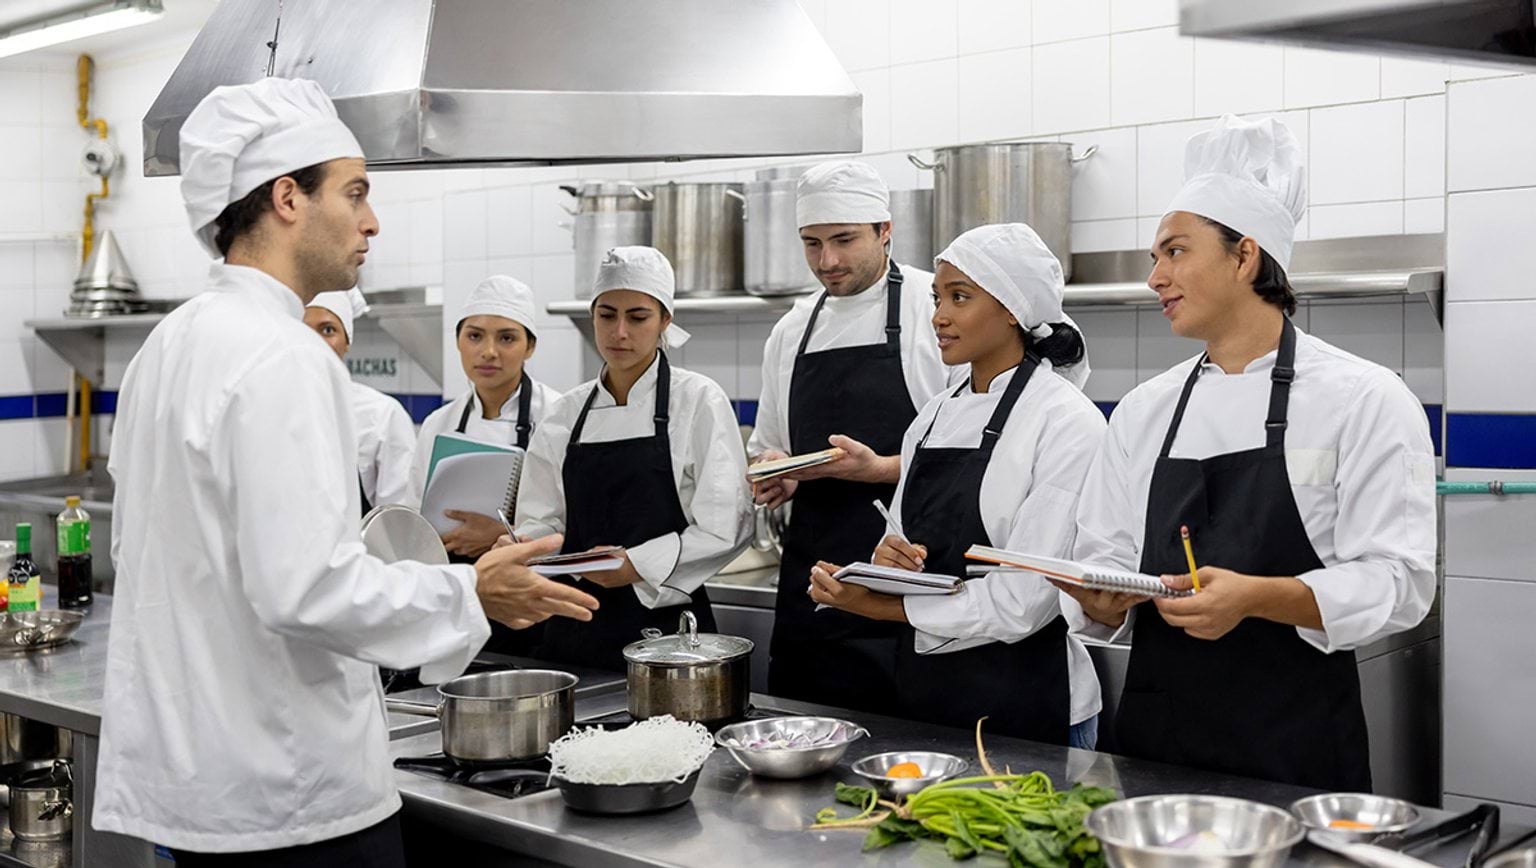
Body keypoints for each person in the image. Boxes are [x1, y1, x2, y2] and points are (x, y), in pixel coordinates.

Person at [94, 77, 599, 865]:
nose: (371, 221)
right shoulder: (281, 352)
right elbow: (309, 587)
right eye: (355, 192)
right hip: (292, 793)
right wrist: (472, 589)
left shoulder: (174, 341)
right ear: (288, 197)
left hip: (203, 781)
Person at [1063, 114, 1437, 790]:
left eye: (1174, 252)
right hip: (1153, 750)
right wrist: (1101, 599)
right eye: (1153, 258)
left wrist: (1260, 597)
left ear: (1246, 256)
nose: (1155, 277)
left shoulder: (1365, 398)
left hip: (1292, 752)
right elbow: (1107, 560)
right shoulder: (1146, 413)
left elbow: (1400, 583)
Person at [806, 224, 1104, 746]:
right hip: (930, 693)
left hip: (1029, 699)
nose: (939, 316)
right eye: (937, 297)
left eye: (959, 298)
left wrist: (880, 605)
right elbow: (898, 536)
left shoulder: (1066, 421)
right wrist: (885, 567)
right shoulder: (935, 414)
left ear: (1013, 308)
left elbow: (1026, 602)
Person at [748, 160, 957, 714]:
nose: (828, 261)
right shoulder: (792, 329)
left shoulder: (931, 308)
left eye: (844, 240)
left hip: (909, 579)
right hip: (814, 583)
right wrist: (777, 473)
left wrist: (880, 469)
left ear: (885, 230)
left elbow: (970, 459)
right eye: (812, 244)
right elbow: (769, 441)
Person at [517, 246, 752, 670]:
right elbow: (541, 520)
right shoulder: (564, 414)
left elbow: (727, 525)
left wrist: (636, 565)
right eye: (607, 315)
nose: (619, 332)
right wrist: (526, 547)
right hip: (574, 624)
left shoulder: (698, 400)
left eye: (638, 317)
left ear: (665, 320)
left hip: (670, 636)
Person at [407, 275, 562, 559]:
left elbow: (575, 523)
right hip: (452, 576)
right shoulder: (438, 424)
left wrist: (502, 536)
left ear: (530, 347)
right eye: (475, 336)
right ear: (458, 342)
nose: (489, 352)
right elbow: (415, 516)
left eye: (506, 338)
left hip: (531, 583)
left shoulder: (559, 417)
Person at [304, 287, 415, 514]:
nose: (314, 341)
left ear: (347, 342)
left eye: (328, 330)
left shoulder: (382, 414)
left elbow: (397, 520)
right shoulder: (270, 408)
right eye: (302, 329)